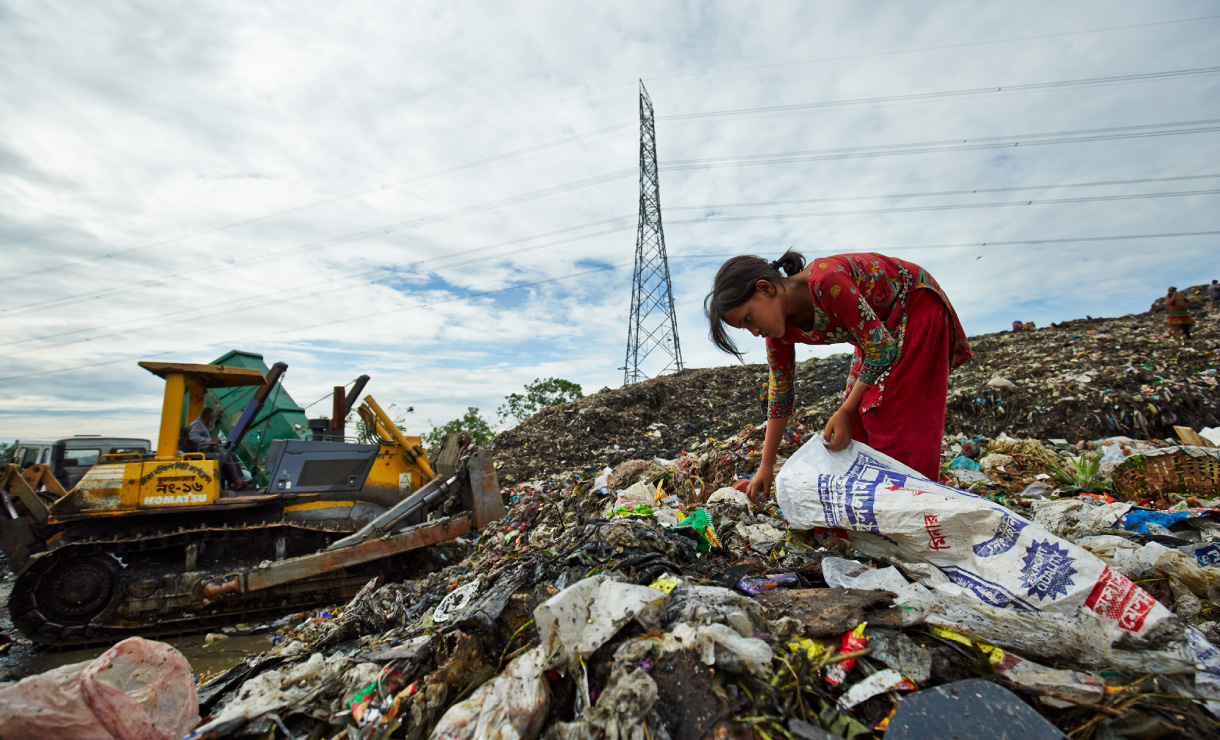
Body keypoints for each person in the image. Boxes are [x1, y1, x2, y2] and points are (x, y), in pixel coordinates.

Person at [705, 251, 973, 501]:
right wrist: (766, 467)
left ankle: (914, 505)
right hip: (873, 335)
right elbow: (780, 396)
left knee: (891, 422)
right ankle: (876, 508)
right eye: (745, 328)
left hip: (913, 307)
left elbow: (881, 348)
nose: (754, 331)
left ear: (766, 288)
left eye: (749, 318)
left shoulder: (826, 281)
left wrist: (844, 410)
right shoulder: (780, 334)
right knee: (853, 433)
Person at [187, 408, 244, 490]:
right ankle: (236, 481)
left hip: (205, 450)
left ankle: (236, 480)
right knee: (224, 456)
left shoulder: (202, 425)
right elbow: (193, 437)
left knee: (230, 454)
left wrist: (213, 444)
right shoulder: (197, 424)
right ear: (209, 416)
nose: (212, 419)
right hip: (199, 452)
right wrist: (209, 441)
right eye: (212, 417)